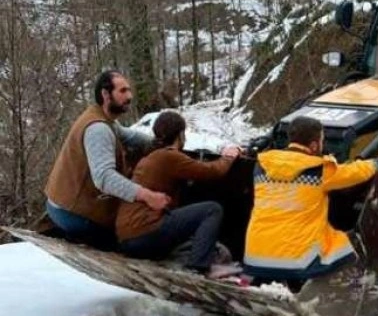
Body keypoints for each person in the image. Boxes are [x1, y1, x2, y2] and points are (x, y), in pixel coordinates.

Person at [243, 116, 378, 285]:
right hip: (298, 262)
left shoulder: (262, 165)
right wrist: (376, 163)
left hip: (255, 257)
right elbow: (355, 172)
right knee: (343, 243)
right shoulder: (320, 170)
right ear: (314, 145)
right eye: (322, 140)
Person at [44, 70, 170, 250]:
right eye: (123, 91)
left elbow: (129, 136)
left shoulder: (103, 118)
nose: (130, 96)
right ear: (105, 94)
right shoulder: (98, 129)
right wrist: (147, 195)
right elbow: (104, 178)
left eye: (129, 90)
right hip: (73, 213)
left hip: (62, 205)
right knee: (135, 237)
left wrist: (159, 144)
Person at [115, 111, 242, 278]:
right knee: (212, 209)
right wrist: (228, 157)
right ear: (180, 134)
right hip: (145, 231)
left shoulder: (150, 157)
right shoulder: (169, 157)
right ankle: (199, 267)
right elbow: (212, 171)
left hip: (127, 237)